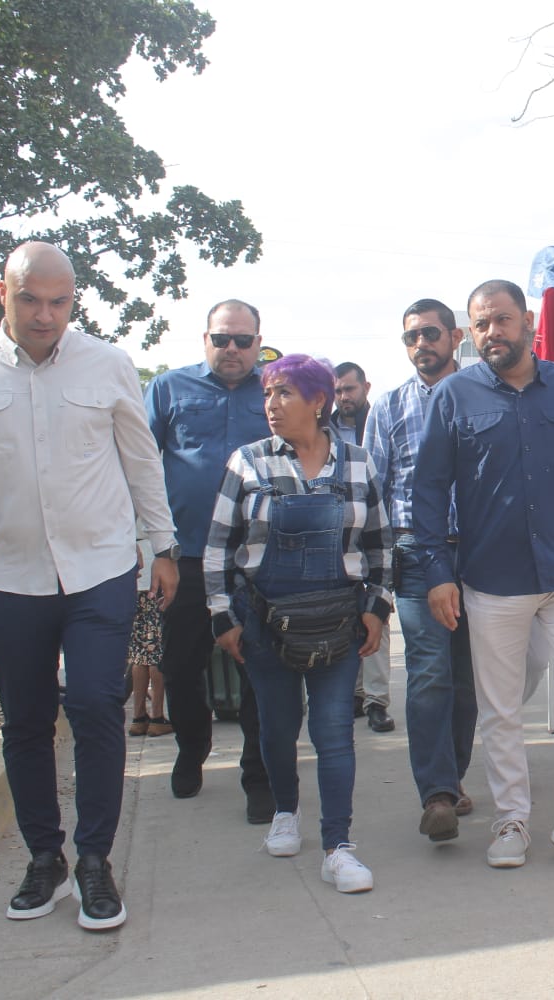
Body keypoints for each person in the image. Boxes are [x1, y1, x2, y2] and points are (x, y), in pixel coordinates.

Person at [0, 242, 178, 932]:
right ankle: (45, 859)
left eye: (60, 302)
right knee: (25, 722)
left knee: (93, 702)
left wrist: (164, 545)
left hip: (100, 570)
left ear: (74, 300)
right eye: (30, 299)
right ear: (3, 290)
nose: (44, 315)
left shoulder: (109, 364)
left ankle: (94, 861)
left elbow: (141, 460)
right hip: (8, 577)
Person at [416, 279, 554, 872]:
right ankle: (512, 817)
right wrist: (438, 572)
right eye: (482, 324)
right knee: (500, 708)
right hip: (492, 580)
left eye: (503, 321)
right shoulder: (454, 396)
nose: (493, 333)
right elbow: (429, 490)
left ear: (529, 321)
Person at [205, 354, 392, 894]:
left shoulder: (358, 463)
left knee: (333, 734)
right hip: (263, 623)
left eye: (284, 392)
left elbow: (380, 545)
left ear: (318, 401)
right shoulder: (248, 462)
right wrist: (223, 619)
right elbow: (218, 546)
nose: (271, 404)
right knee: (277, 727)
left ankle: (339, 845)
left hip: (338, 623)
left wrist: (375, 609)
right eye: (267, 393)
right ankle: (285, 810)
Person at [145, 301, 273, 822]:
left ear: (258, 342)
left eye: (243, 341)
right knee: (179, 665)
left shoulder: (275, 390)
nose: (233, 350)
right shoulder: (168, 388)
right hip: (188, 557)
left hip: (260, 558)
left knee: (260, 669)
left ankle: (258, 774)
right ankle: (192, 748)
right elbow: (138, 462)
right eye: (222, 339)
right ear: (205, 340)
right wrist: (154, 548)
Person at [362, 300, 478, 843]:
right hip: (414, 554)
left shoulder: (485, 392)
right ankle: (436, 794)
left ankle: (451, 778)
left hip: (480, 554)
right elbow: (374, 494)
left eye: (430, 334)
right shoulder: (386, 407)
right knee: (430, 672)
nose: (420, 345)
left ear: (455, 336)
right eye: (410, 337)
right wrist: (375, 580)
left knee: (467, 679)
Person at [333, 361, 393, 733]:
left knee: (377, 612)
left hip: (373, 530)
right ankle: (353, 694)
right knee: (344, 615)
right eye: (337, 391)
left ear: (365, 388)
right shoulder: (324, 425)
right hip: (337, 536)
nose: (343, 398)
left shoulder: (378, 419)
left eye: (349, 390)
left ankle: (376, 701)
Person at [127, 537, 171, 737]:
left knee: (138, 653)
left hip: (132, 575)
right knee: (155, 653)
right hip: (155, 575)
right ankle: (157, 716)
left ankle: (138, 717)